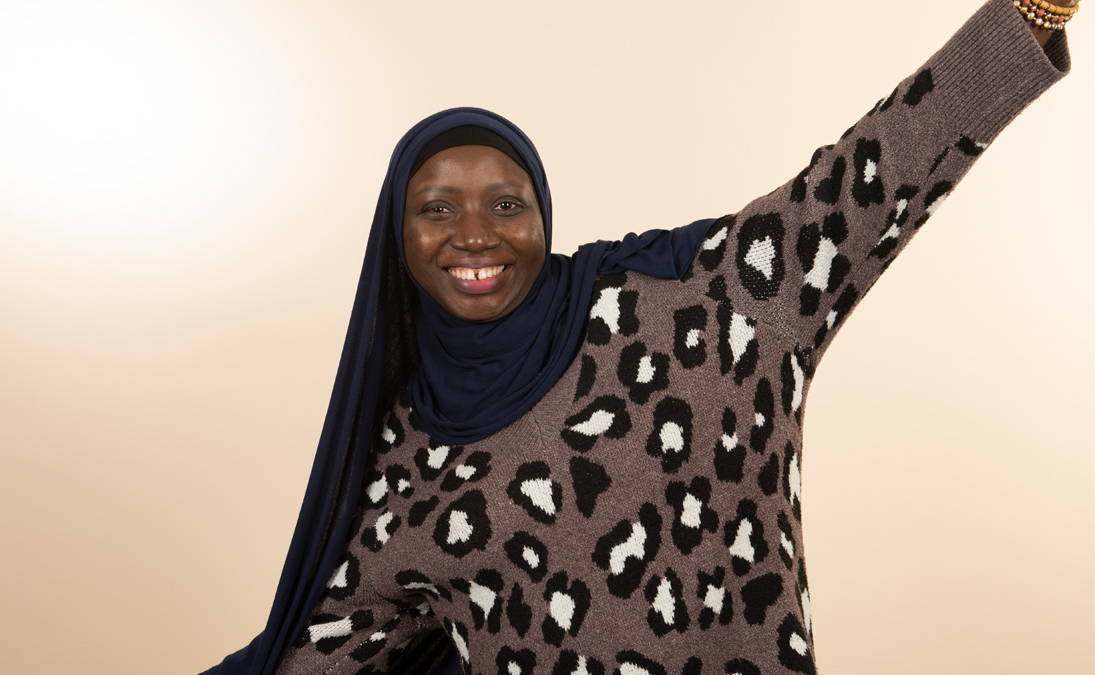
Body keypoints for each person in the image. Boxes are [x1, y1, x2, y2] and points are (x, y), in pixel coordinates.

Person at [202, 1, 1077, 673]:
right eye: (436, 210)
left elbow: (873, 171)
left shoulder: (700, 302)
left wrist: (1036, 11)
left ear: (544, 213)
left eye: (508, 203)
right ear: (396, 241)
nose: (476, 233)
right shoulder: (402, 459)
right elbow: (315, 649)